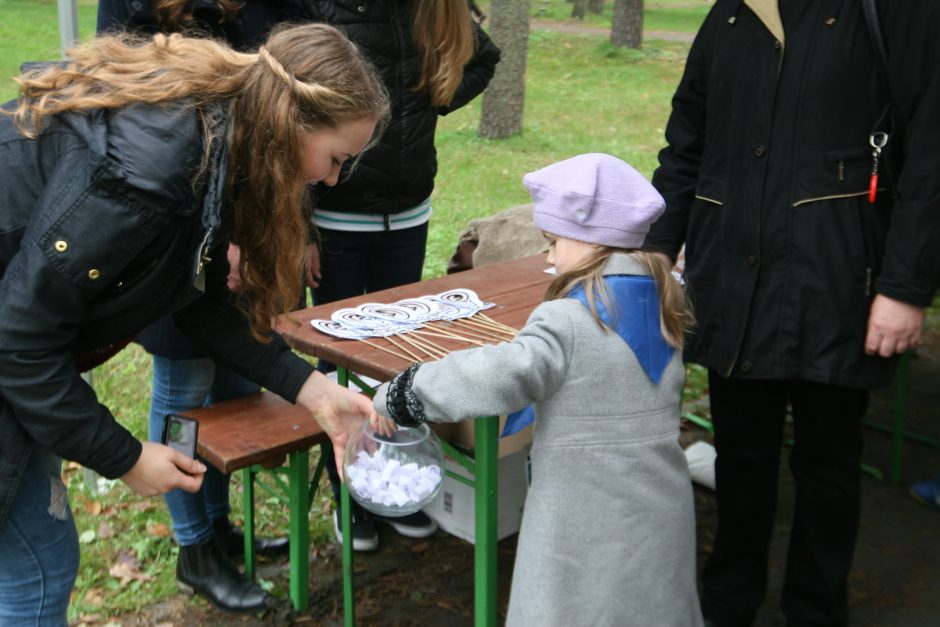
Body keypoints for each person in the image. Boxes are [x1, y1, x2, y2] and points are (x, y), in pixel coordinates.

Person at [0, 23, 388, 622]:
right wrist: (125, 457)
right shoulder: (147, 176)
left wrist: (311, 389)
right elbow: (19, 342)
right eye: (335, 158)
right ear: (292, 122)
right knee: (38, 565)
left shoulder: (219, 139)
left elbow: (200, 299)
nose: (332, 179)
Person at [643, 2, 940, 626]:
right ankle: (729, 601)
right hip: (733, 279)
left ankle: (817, 609)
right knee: (741, 455)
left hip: (837, 279)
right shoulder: (731, 13)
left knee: (827, 464)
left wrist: (905, 286)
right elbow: (686, 141)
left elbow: (931, 154)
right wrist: (656, 252)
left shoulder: (897, 13)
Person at [371, 153, 703, 627]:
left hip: (581, 520)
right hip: (658, 512)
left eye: (553, 241)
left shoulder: (568, 318)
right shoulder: (663, 299)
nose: (548, 256)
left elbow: (498, 372)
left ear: (591, 240)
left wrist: (406, 391)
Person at [300, 0, 502, 552]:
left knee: (398, 352)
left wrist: (430, 100)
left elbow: (483, 57)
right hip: (335, 219)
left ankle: (393, 483)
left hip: (408, 213)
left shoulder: (430, 8)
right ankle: (352, 497)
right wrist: (301, 226)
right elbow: (288, 111)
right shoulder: (324, 7)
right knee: (340, 360)